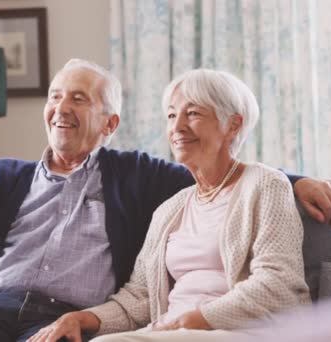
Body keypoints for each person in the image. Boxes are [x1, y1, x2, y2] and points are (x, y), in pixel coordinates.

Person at [0, 59, 331, 342]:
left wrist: (299, 181)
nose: (61, 108)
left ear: (109, 125)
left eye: (78, 98)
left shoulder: (137, 176)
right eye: (55, 96)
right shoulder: (8, 174)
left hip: (61, 313)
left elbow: (230, 175)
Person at [28, 69, 312, 342]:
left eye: (193, 114)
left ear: (233, 125)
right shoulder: (171, 209)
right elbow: (140, 298)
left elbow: (278, 285)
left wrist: (195, 319)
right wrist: (79, 318)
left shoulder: (265, 184)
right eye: (172, 115)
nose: (177, 127)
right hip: (173, 331)